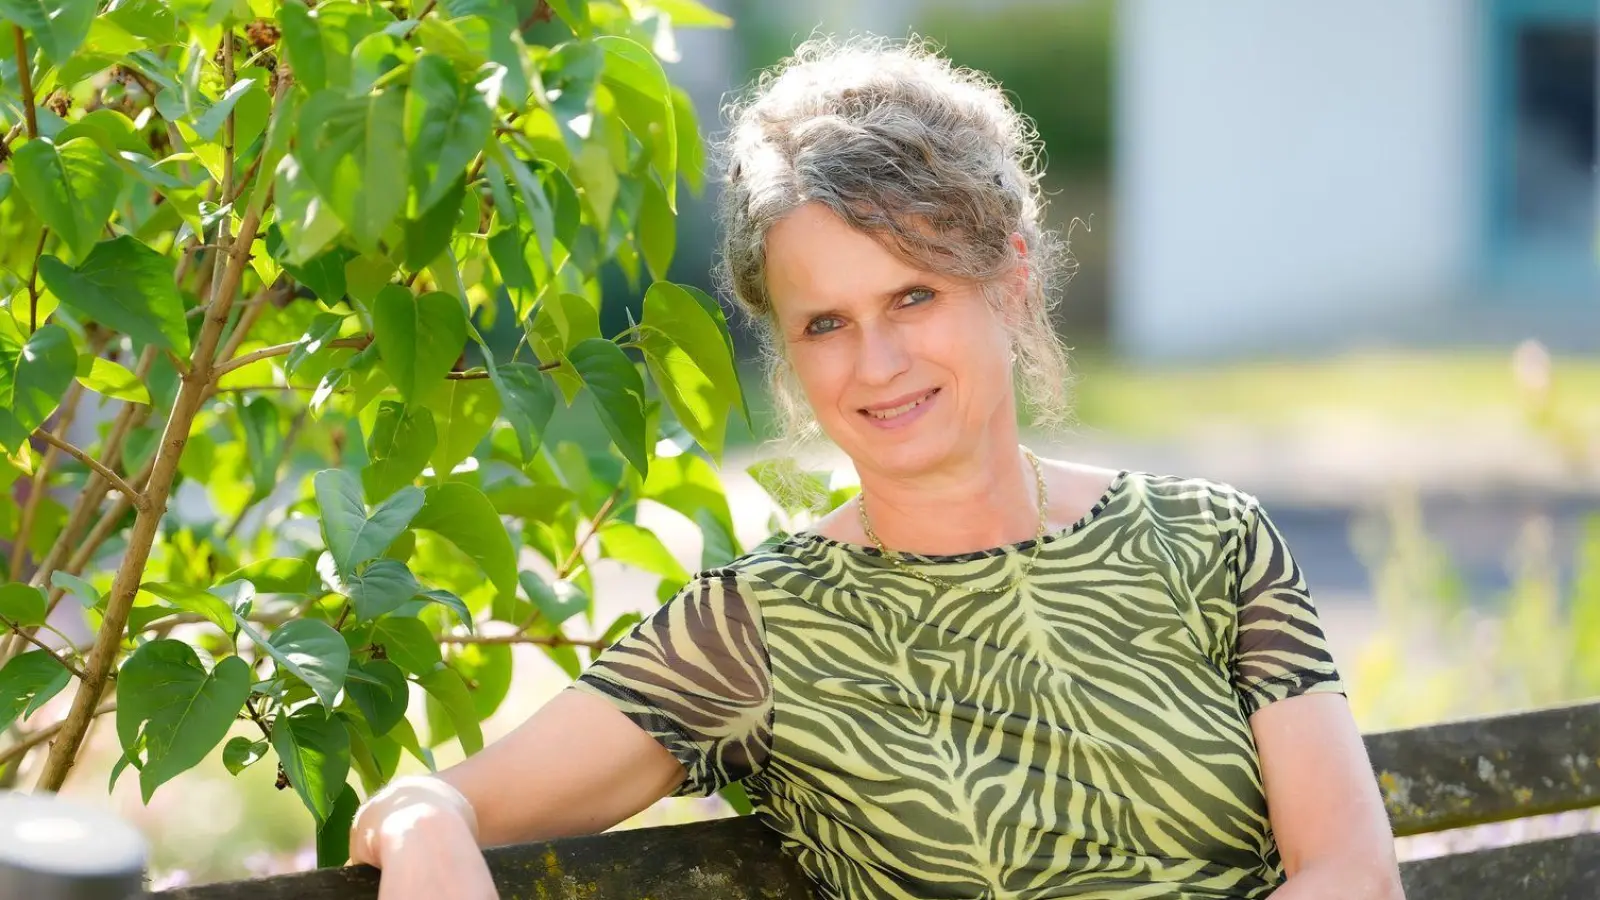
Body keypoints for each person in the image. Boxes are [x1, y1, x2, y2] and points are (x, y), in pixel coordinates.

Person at [347, 36, 1405, 900]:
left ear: (1008, 280)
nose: (877, 363)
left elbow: (1352, 872)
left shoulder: (1209, 541)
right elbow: (442, 802)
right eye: (825, 323)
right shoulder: (759, 629)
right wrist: (422, 820)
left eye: (913, 297)